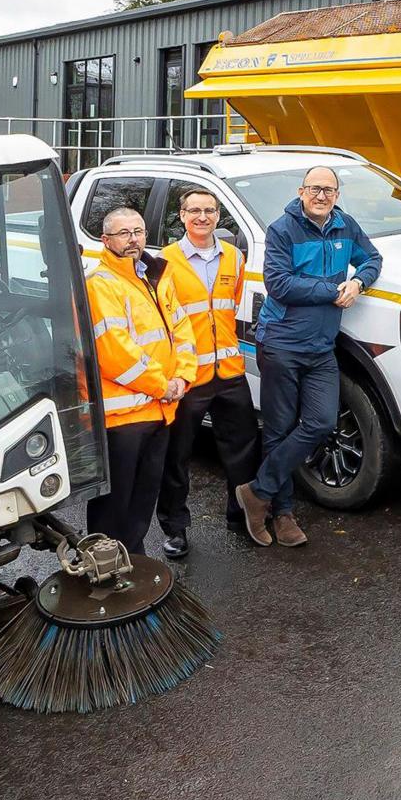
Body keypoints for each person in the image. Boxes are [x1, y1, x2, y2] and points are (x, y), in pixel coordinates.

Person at [244, 165, 382, 548]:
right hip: (282, 344)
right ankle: (283, 513)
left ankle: (257, 491)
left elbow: (372, 258)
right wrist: (332, 288)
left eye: (329, 190)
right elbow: (279, 284)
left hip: (321, 347)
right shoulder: (282, 230)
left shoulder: (345, 225)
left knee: (321, 423)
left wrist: (359, 281)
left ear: (337, 195)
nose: (322, 196)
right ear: (301, 191)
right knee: (280, 429)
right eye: (315, 189)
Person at [157, 187, 262, 553]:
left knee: (243, 449)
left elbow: (229, 308)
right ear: (182, 216)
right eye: (195, 211)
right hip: (188, 376)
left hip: (230, 372)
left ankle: (241, 516)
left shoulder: (234, 257)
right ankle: (175, 528)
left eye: (210, 211)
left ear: (219, 216)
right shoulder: (165, 261)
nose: (203, 217)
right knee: (177, 454)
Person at [86, 207, 184, 553]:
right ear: (106, 240)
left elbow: (180, 332)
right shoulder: (101, 284)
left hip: (159, 410)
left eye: (138, 232)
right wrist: (164, 385)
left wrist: (183, 377)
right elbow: (115, 352)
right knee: (114, 504)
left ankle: (133, 563)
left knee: (143, 498)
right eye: (124, 233)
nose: (133, 240)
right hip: (123, 419)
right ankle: (101, 568)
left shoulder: (153, 278)